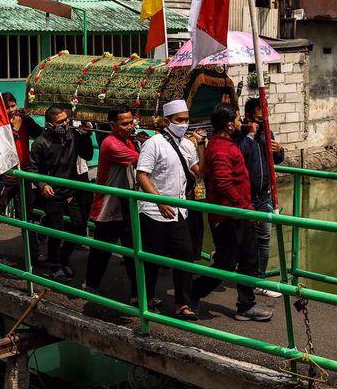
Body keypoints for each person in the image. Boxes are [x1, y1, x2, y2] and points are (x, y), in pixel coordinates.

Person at [190, 103, 272, 322]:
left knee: (249, 259)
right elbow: (224, 183)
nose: (240, 122)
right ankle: (193, 291)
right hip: (228, 216)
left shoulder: (227, 143)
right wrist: (246, 208)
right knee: (226, 263)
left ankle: (246, 305)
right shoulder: (219, 149)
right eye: (237, 119)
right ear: (228, 124)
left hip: (240, 213)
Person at [135, 99, 201, 321]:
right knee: (151, 259)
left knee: (184, 257)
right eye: (179, 120)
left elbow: (198, 171)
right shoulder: (154, 143)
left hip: (179, 211)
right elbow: (142, 174)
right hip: (153, 212)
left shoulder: (188, 145)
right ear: (167, 121)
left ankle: (182, 303)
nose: (183, 124)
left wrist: (203, 144)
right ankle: (146, 298)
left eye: (186, 120)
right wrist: (159, 201)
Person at [25, 104, 95, 281]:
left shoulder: (72, 136)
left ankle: (63, 258)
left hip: (70, 191)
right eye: (61, 122)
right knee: (57, 229)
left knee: (79, 225)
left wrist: (86, 135)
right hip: (52, 193)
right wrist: (42, 184)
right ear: (50, 124)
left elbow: (87, 155)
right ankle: (56, 266)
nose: (65, 124)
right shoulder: (40, 142)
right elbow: (31, 168)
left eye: (66, 120)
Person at [83, 106, 142, 303]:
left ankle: (138, 294)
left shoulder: (128, 141)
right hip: (108, 207)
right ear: (112, 125)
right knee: (101, 252)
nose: (130, 126)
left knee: (133, 251)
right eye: (125, 124)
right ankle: (90, 286)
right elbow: (140, 161)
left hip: (126, 204)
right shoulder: (111, 144)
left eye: (131, 122)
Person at [0, 93, 42, 263]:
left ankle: (34, 254)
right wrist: (14, 130)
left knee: (27, 215)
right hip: (4, 176)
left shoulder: (23, 121)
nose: (10, 110)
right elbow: (4, 151)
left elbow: (40, 134)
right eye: (7, 107)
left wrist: (28, 119)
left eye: (13, 106)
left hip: (22, 174)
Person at [235, 97, 285, 297]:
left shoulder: (268, 133)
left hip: (263, 195)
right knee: (243, 239)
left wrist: (279, 151)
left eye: (264, 116)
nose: (263, 120)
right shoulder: (240, 136)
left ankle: (259, 279)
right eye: (258, 116)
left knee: (264, 237)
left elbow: (276, 160)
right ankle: (229, 261)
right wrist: (249, 135)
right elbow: (239, 157)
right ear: (248, 116)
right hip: (245, 196)